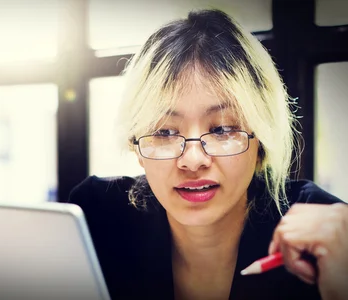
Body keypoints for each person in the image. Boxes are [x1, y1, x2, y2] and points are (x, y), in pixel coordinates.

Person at [66, 9, 348, 300]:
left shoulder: (324, 238)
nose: (192, 159)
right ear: (136, 145)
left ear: (261, 143)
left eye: (223, 129)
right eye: (164, 132)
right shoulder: (96, 218)